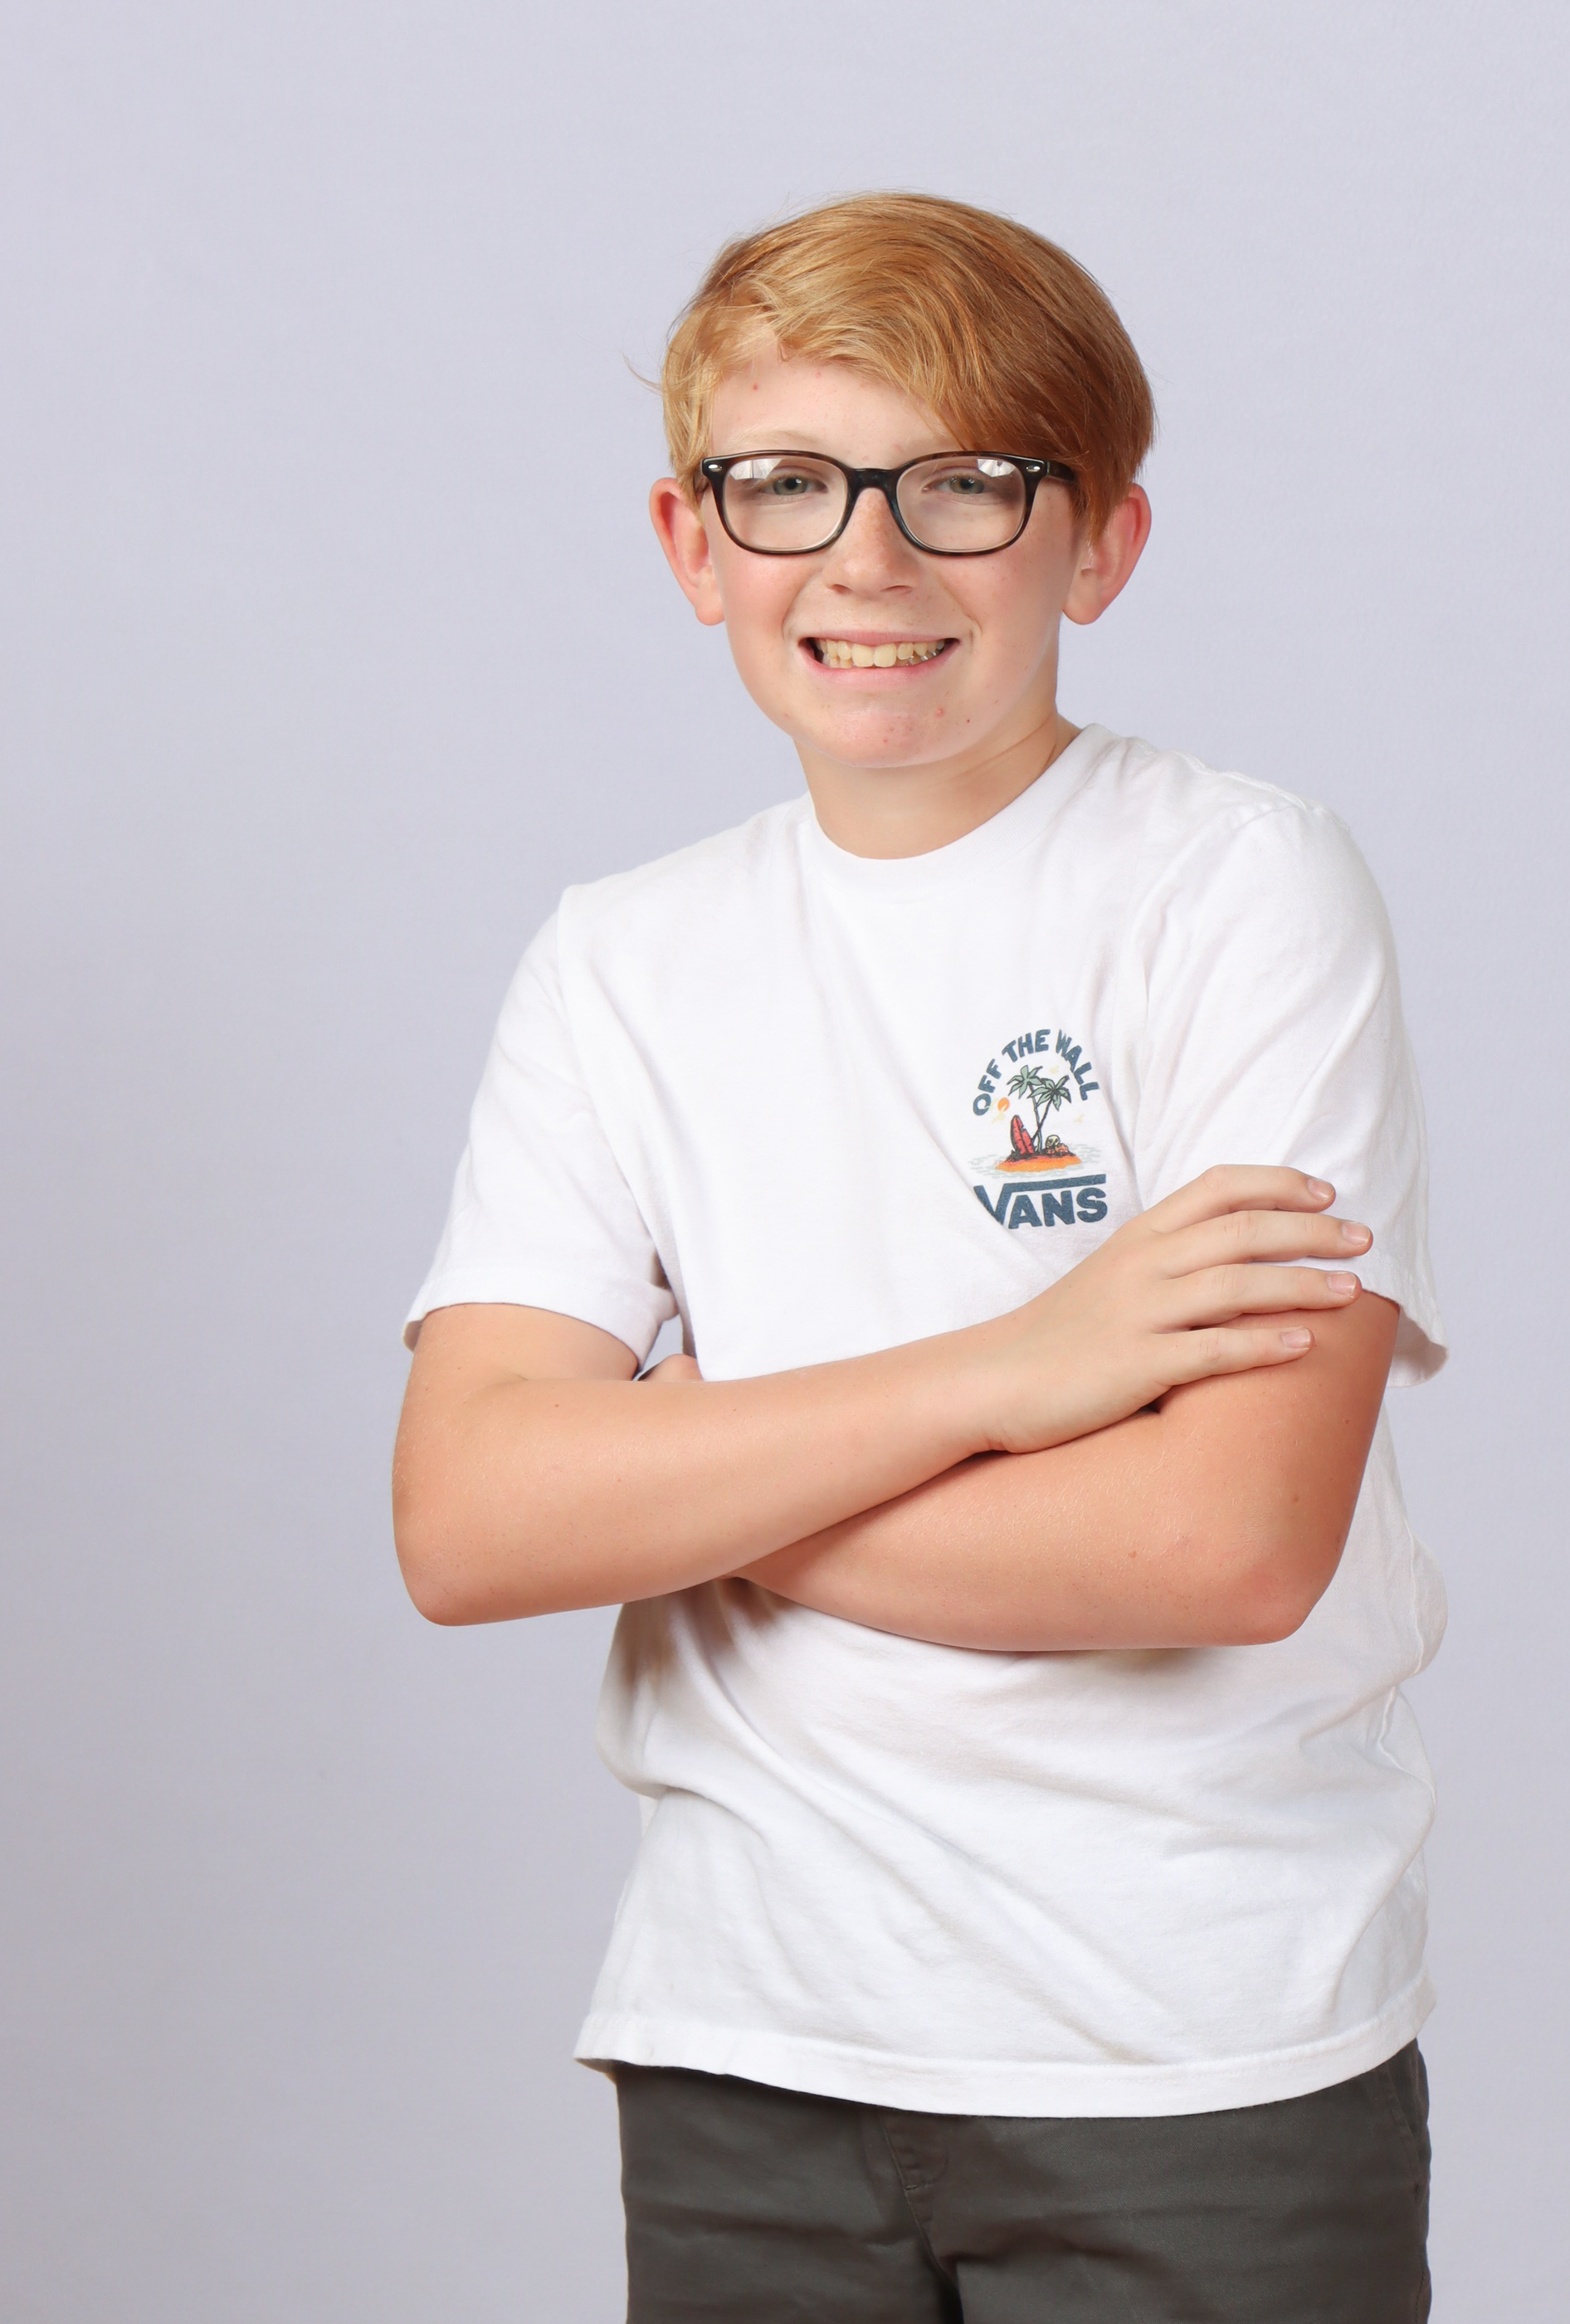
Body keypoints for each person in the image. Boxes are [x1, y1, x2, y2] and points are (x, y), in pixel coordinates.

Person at [393, 192, 1447, 2322]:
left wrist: (689, 1479)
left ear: (1099, 543)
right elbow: (469, 1521)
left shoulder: (1236, 888)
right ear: (694, 544)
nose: (866, 560)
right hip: (745, 2036)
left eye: (963, 484)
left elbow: (1221, 1542)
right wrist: (1009, 1370)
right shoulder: (621, 958)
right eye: (787, 484)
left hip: (1191, 2046)